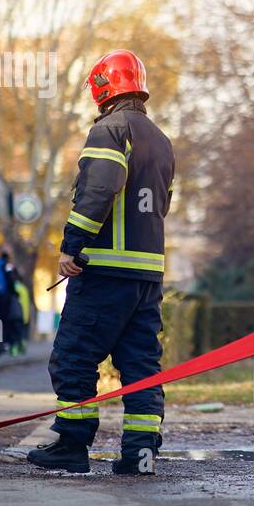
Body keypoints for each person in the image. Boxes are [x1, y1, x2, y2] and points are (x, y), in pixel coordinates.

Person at [29, 49, 175, 476]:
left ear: (102, 88)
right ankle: (140, 455)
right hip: (147, 278)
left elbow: (98, 191)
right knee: (141, 367)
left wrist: (72, 244)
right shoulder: (162, 140)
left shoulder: (109, 130)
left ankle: (72, 448)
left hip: (103, 273)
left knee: (73, 356)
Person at [7, 268, 28, 356]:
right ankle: (22, 344)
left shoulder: (11, 288)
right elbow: (26, 303)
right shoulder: (23, 288)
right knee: (19, 332)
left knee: (12, 333)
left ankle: (14, 349)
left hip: (11, 314)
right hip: (22, 315)